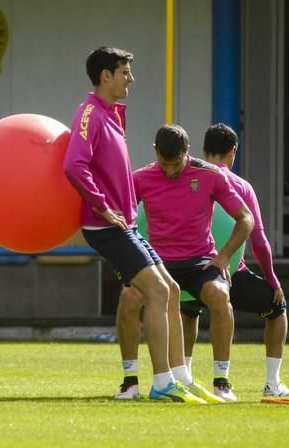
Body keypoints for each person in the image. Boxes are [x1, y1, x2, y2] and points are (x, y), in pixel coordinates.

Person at [63, 47, 205, 403]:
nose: (131, 79)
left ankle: (178, 378)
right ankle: (161, 384)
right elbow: (73, 166)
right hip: (105, 226)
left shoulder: (112, 114)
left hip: (124, 224)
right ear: (105, 75)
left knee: (170, 290)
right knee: (156, 293)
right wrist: (103, 206)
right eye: (125, 72)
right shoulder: (89, 113)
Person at [115, 124, 254, 402]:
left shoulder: (209, 175)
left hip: (199, 262)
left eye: (176, 164)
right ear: (156, 153)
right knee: (129, 297)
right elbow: (121, 219)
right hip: (158, 263)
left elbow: (245, 218)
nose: (169, 171)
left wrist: (224, 255)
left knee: (219, 295)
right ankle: (130, 382)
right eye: (165, 164)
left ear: (187, 152)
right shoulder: (140, 178)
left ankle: (222, 381)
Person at [179, 123, 289, 397]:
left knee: (188, 311)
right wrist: (272, 279)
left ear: (203, 151)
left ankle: (183, 380)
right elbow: (259, 240)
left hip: (187, 267)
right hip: (228, 273)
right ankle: (270, 384)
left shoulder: (184, 181)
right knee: (278, 310)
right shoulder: (241, 186)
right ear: (233, 152)